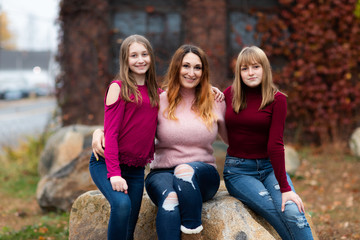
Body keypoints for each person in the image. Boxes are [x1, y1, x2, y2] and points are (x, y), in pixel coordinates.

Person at [223, 46, 314, 240]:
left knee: (291, 210)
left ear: (265, 68)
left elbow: (275, 145)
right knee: (273, 209)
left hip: (269, 168)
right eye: (244, 68)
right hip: (238, 171)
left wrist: (286, 188)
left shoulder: (277, 100)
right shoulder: (229, 95)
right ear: (239, 72)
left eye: (255, 67)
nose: (250, 73)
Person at [144, 44, 227, 239]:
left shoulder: (215, 100)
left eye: (197, 67)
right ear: (176, 69)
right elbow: (132, 128)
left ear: (203, 72)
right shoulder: (159, 100)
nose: (191, 73)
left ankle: (192, 232)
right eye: (186, 66)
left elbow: (234, 139)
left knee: (184, 171)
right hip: (162, 173)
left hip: (202, 174)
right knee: (171, 198)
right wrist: (100, 133)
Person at [89, 34, 160, 240]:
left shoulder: (156, 91)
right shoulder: (118, 88)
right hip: (107, 163)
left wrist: (208, 89)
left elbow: (183, 94)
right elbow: (111, 133)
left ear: (151, 57)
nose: (140, 60)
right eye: (134, 55)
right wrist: (114, 174)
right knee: (121, 205)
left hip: (136, 169)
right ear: (125, 60)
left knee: (129, 227)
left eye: (144, 54)